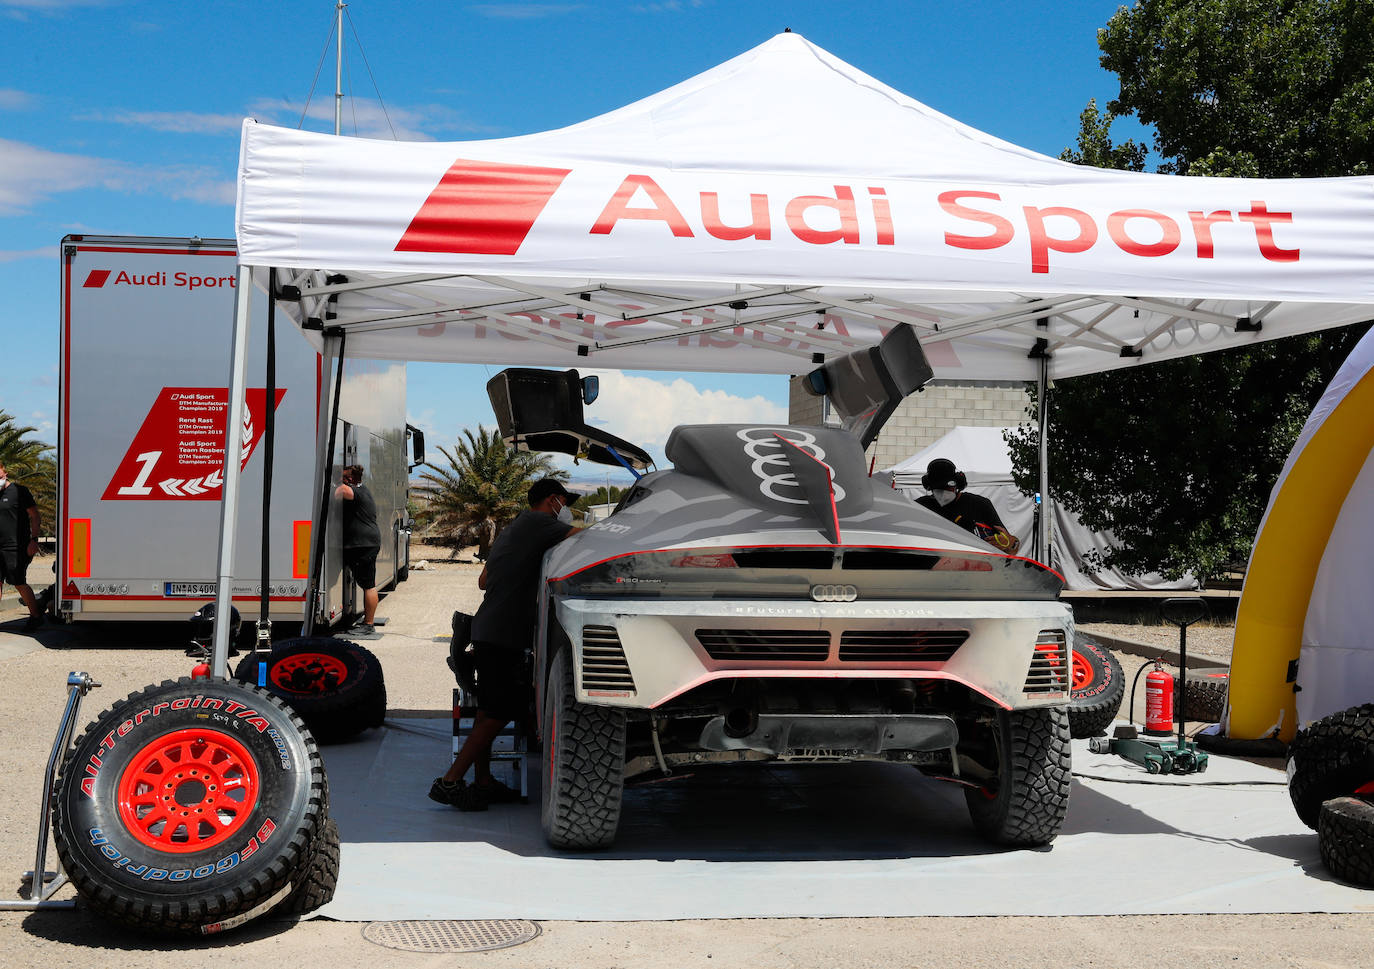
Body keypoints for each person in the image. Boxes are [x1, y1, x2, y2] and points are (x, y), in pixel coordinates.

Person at [430, 477, 582, 811]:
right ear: (554, 500)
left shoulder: (513, 529)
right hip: (503, 635)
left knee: (488, 711)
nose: (567, 510)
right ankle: (450, 782)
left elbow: (483, 581)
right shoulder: (539, 523)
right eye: (565, 503)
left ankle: (483, 783)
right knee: (500, 713)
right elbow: (586, 539)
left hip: (487, 629)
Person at [915, 457, 1021, 554]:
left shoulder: (980, 505)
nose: (943, 493)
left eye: (947, 487)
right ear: (930, 488)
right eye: (938, 489)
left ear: (958, 484)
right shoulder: (919, 507)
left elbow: (1013, 547)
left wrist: (1009, 543)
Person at [335, 463, 382, 637]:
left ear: (350, 479)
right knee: (366, 583)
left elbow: (337, 492)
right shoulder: (363, 490)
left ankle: (368, 624)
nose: (340, 478)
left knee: (368, 585)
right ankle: (365, 621)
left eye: (342, 476)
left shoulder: (352, 491)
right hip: (363, 543)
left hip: (364, 544)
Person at [0, 461, 44, 632]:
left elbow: (35, 516)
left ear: (6, 474)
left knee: (18, 582)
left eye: (0, 476)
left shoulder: (19, 492)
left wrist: (34, 540)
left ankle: (36, 616)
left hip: (16, 548)